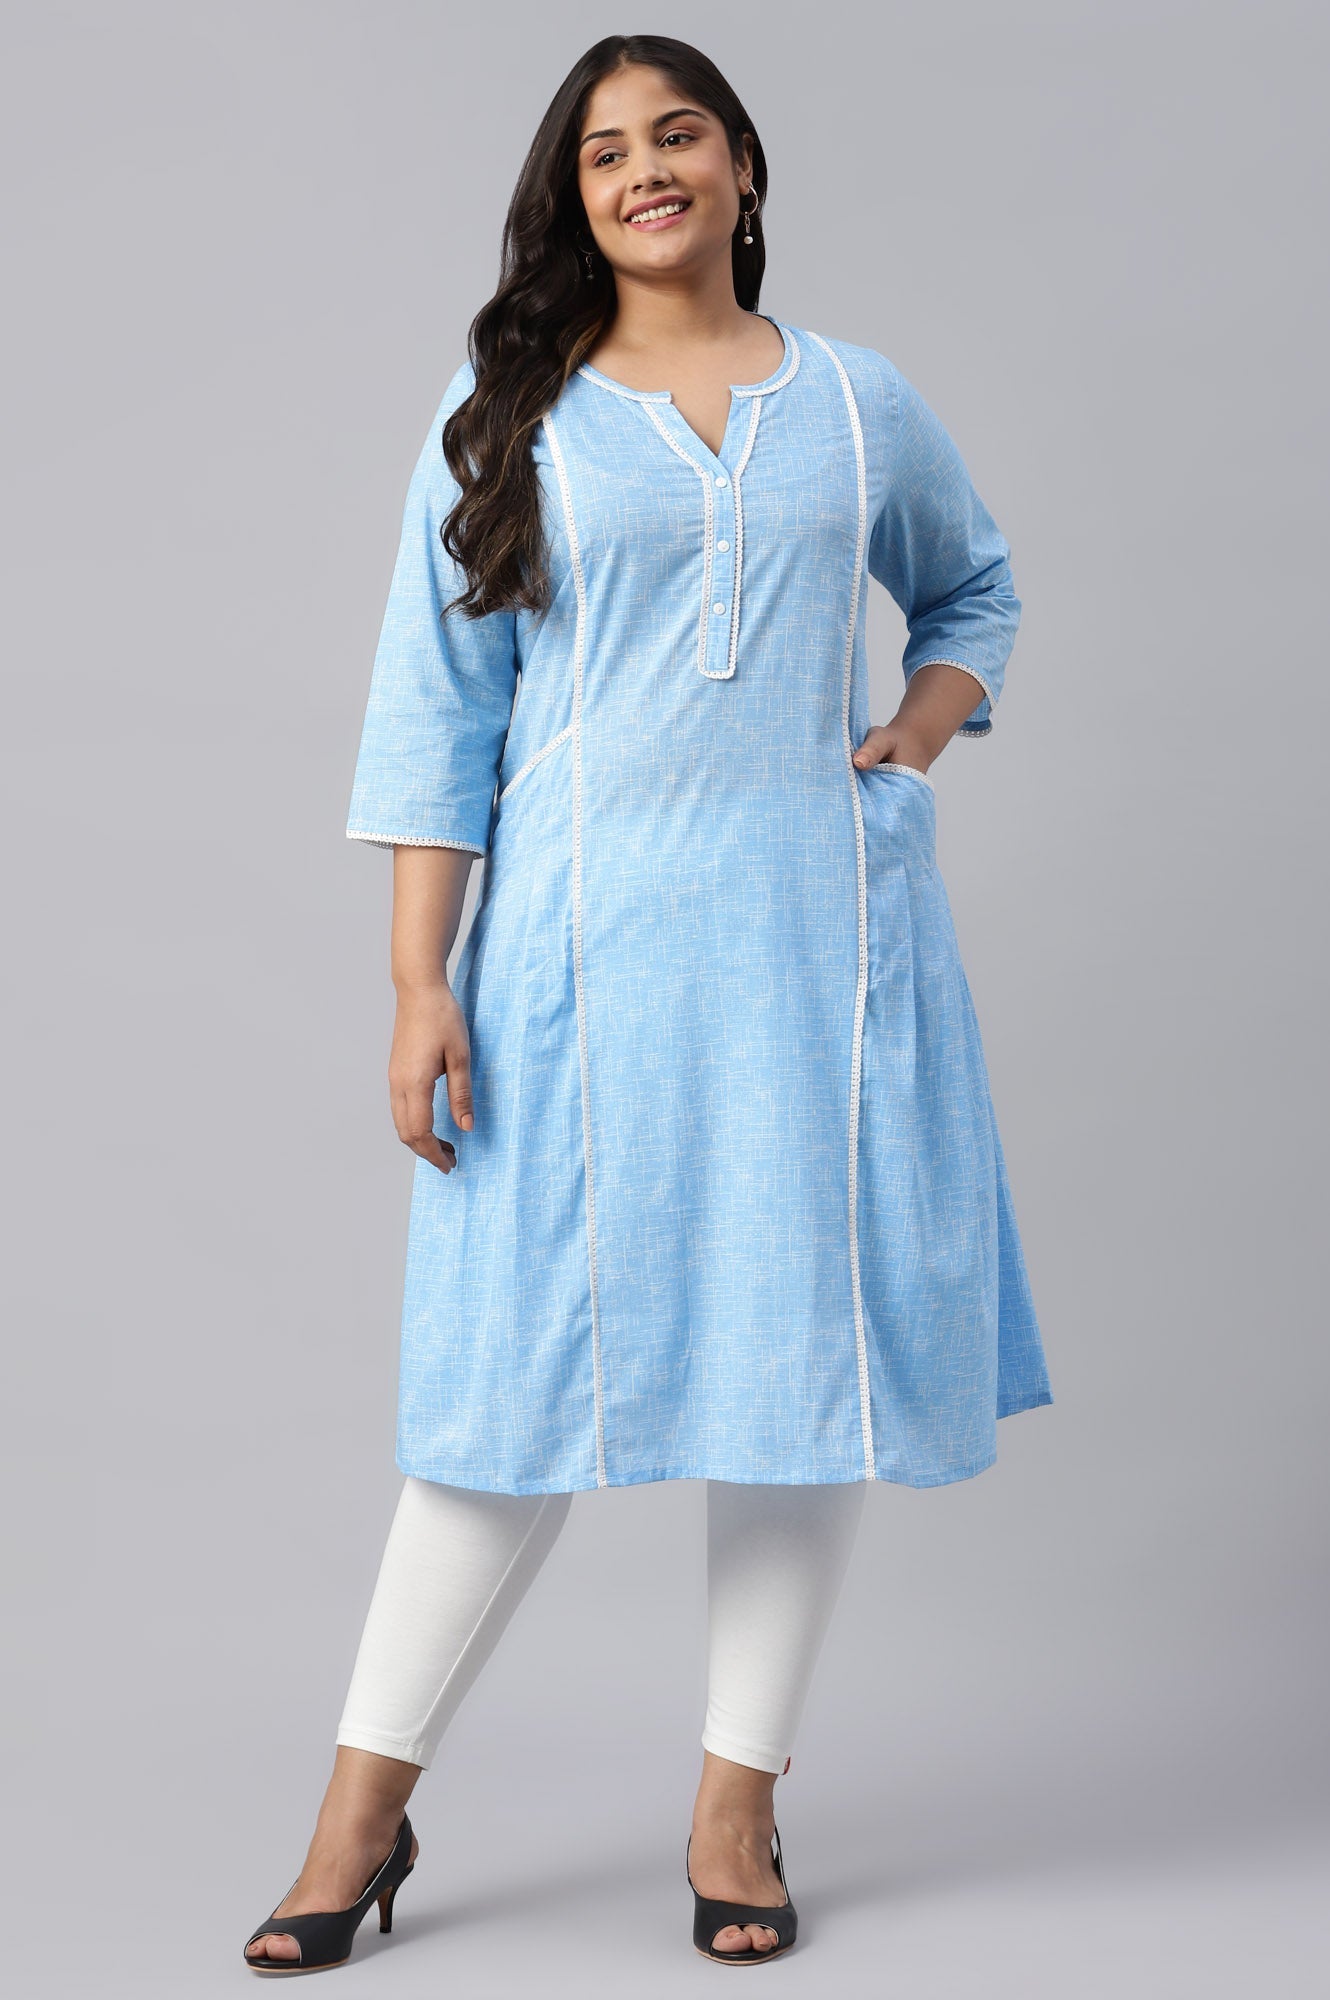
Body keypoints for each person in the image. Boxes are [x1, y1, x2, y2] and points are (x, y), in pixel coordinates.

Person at [242, 31, 1053, 1976]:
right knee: (500, 1401)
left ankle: (735, 1804)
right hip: (574, 972)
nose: (643, 171)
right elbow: (434, 720)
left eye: (675, 133)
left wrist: (909, 740)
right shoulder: (506, 416)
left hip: (813, 956)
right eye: (604, 151)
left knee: (800, 1377)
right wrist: (417, 983)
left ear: (741, 165)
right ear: (575, 195)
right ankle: (357, 1819)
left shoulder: (853, 403)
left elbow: (974, 591)